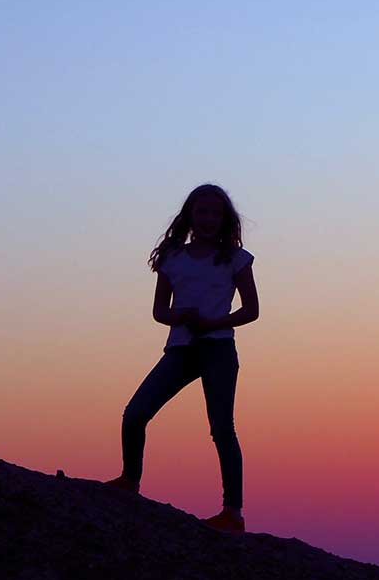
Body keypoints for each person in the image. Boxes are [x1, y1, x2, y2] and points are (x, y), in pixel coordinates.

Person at [102, 184, 260, 534]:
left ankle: (232, 513)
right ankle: (130, 480)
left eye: (215, 214)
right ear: (190, 215)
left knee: (222, 428)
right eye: (202, 212)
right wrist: (180, 315)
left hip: (218, 348)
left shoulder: (235, 258)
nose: (208, 219)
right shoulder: (173, 257)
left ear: (225, 219)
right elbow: (159, 310)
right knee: (135, 413)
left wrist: (215, 322)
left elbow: (252, 310)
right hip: (181, 348)